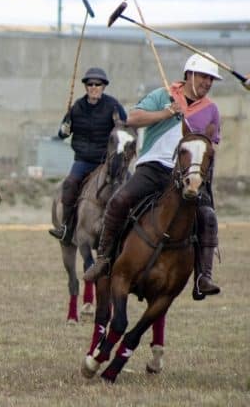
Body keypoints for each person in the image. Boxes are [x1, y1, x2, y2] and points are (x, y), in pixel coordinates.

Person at [83, 53, 223, 299]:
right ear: (189, 74)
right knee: (119, 201)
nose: (208, 82)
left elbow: (210, 146)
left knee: (208, 216)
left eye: (211, 79)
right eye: (204, 76)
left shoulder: (211, 110)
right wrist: (168, 112)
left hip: (187, 176)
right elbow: (132, 119)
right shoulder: (162, 95)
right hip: (154, 167)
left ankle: (203, 277)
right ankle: (104, 259)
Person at [49, 67, 128, 241]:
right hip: (83, 160)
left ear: (103, 86)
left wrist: (120, 126)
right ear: (86, 86)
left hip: (106, 162)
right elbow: (62, 134)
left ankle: (132, 225)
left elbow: (125, 128)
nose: (93, 87)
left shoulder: (113, 106)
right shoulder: (76, 107)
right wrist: (64, 129)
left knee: (130, 182)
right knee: (69, 184)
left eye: (97, 84)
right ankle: (66, 227)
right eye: (90, 84)